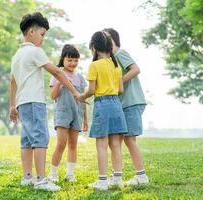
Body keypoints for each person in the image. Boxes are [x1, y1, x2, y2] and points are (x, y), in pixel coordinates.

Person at [9, 12, 80, 192]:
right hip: (34, 101)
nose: (42, 39)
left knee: (26, 140)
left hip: (22, 103)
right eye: (42, 34)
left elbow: (13, 81)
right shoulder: (35, 51)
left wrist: (12, 105)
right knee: (40, 138)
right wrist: (73, 91)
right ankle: (41, 180)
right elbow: (56, 72)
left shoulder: (16, 55)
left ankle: (27, 177)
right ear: (31, 32)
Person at [79, 31, 127, 190]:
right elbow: (120, 89)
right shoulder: (116, 65)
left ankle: (102, 181)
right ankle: (118, 179)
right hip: (116, 105)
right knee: (115, 145)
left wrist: (81, 96)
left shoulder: (94, 65)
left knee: (101, 144)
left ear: (93, 47)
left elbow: (91, 90)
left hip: (102, 105)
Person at [103, 28, 149, 185]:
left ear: (113, 39)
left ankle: (141, 176)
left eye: (106, 38)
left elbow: (136, 69)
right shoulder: (110, 60)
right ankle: (116, 176)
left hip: (131, 102)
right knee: (115, 141)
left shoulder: (120, 53)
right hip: (121, 105)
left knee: (130, 140)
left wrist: (118, 82)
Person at [47, 44, 88, 183]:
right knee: (61, 144)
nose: (73, 63)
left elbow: (83, 100)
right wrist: (60, 81)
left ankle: (70, 174)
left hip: (77, 114)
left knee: (73, 145)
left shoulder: (80, 79)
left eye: (76, 60)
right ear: (63, 59)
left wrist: (86, 120)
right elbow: (52, 96)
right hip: (63, 113)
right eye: (70, 60)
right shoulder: (56, 74)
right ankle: (53, 173)